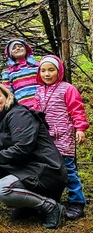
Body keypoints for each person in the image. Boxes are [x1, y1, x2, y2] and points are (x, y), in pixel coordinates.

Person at [0, 82, 67, 229]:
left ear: (7, 96)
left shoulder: (19, 114)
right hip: (25, 168)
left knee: (0, 190)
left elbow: (22, 149)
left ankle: (50, 206)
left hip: (46, 171)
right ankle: (27, 204)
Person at [34, 55, 89, 220]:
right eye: (43, 70)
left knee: (68, 170)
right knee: (49, 170)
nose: (47, 74)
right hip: (46, 138)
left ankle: (77, 202)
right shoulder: (39, 91)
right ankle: (51, 201)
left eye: (51, 70)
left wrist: (80, 128)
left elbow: (77, 110)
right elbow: (36, 114)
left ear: (59, 71)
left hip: (64, 136)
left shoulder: (67, 88)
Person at [1, 38, 39, 108]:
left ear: (26, 49)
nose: (18, 48)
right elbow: (7, 93)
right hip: (23, 108)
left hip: (42, 104)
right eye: (14, 48)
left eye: (20, 46)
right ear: (10, 53)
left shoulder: (37, 66)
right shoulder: (8, 73)